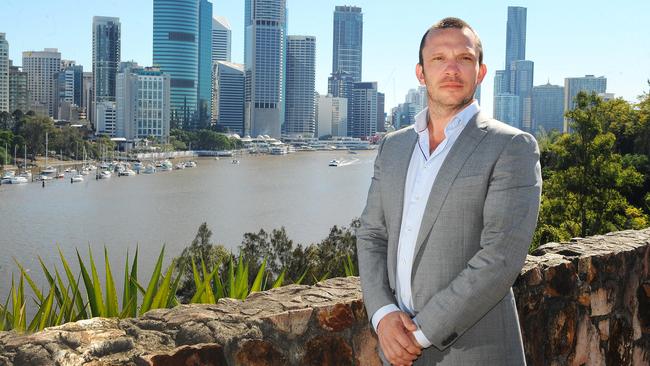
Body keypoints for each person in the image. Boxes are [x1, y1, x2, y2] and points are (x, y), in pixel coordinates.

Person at [357, 17, 542, 366]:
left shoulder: (512, 146)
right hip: (395, 349)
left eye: (465, 58)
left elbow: (500, 258)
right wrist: (382, 315)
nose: (452, 69)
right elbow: (371, 234)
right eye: (439, 59)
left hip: (475, 353)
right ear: (421, 73)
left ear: (481, 72)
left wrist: (419, 333)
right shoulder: (393, 147)